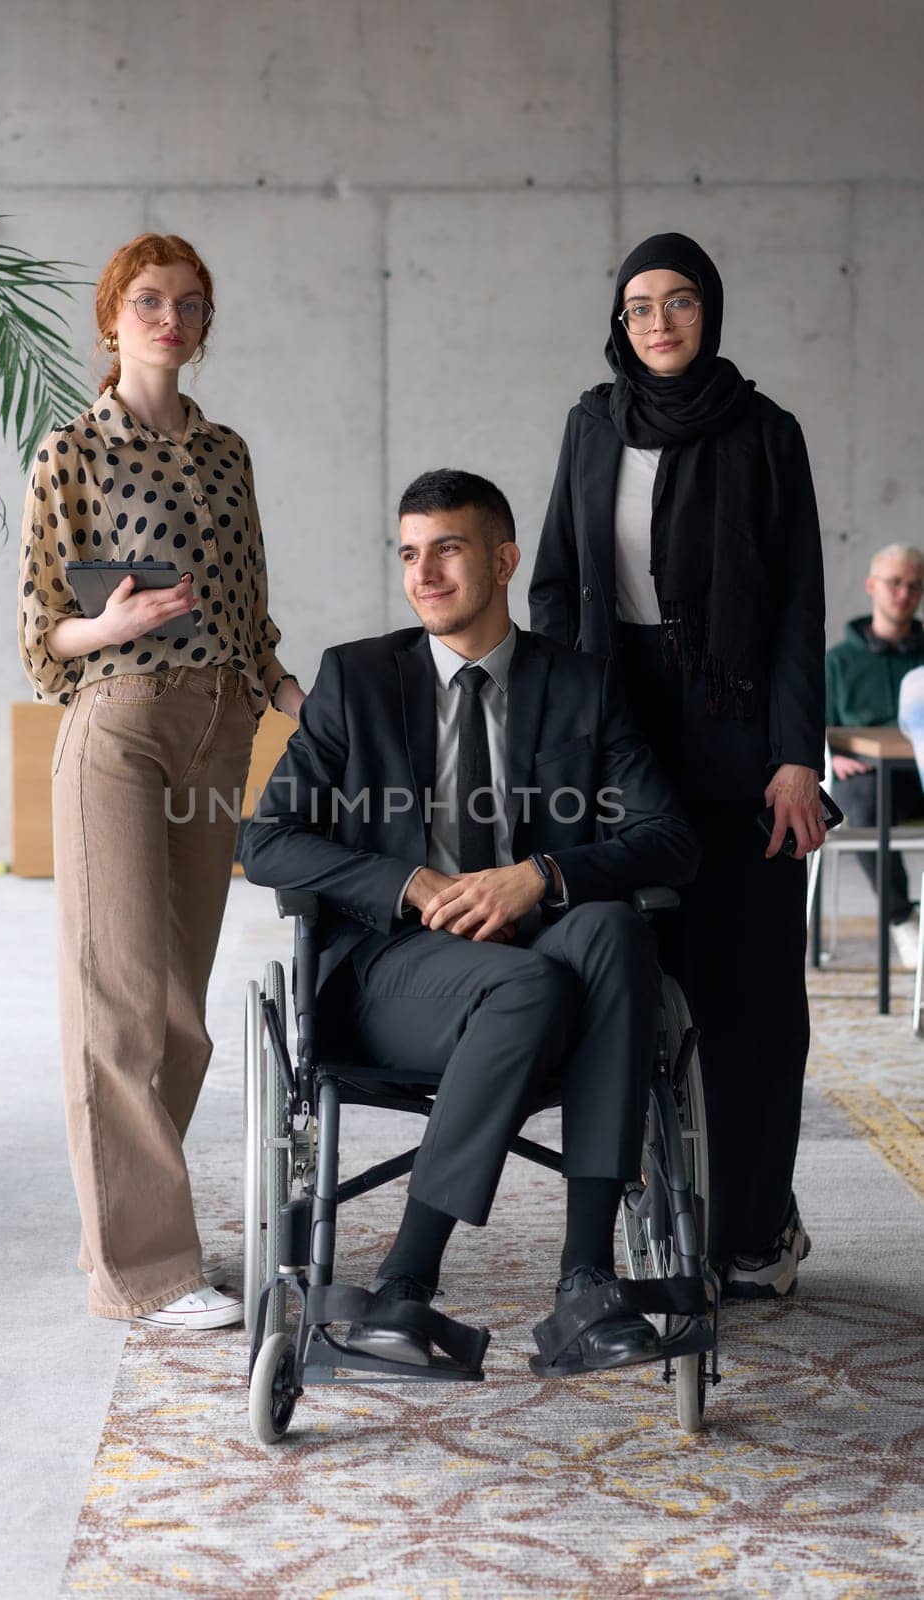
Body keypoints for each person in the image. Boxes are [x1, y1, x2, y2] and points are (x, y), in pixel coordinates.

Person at [242, 469, 699, 1372]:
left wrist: (539, 876)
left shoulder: (580, 686)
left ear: (502, 560)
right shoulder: (357, 680)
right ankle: (406, 1282)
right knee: (531, 982)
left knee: (609, 932)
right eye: (410, 554)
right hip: (394, 970)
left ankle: (584, 1282)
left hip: (542, 956)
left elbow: (669, 838)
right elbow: (266, 841)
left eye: (447, 549)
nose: (425, 574)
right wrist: (408, 884)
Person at [529, 232, 826, 1299]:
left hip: (741, 733)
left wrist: (797, 758)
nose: (657, 322)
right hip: (620, 727)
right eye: (638, 306)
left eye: (679, 302)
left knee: (749, 996)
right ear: (619, 321)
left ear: (710, 313)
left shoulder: (762, 433)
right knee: (640, 989)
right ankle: (668, 1223)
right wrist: (564, 719)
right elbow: (558, 585)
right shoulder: (588, 425)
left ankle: (753, 1229)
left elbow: (796, 607)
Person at [17, 232, 304, 1328]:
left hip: (223, 724)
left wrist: (281, 684)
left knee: (181, 1015)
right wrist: (114, 621)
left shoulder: (226, 452)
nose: (170, 320)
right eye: (149, 301)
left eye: (189, 304)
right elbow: (42, 632)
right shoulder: (70, 453)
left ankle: (122, 1230)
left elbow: (251, 595)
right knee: (123, 1002)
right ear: (110, 317)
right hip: (120, 726)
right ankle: (142, 1270)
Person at [826, 544, 924, 935]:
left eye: (915, 586)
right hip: (862, 778)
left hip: (917, 774)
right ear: (871, 585)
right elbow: (811, 727)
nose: (904, 594)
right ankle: (901, 919)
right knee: (867, 802)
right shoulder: (838, 662)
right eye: (895, 582)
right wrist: (830, 757)